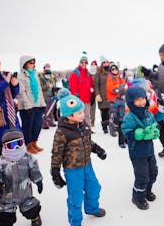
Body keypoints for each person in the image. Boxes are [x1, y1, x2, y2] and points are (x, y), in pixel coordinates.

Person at [51, 88, 106, 226]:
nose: (83, 115)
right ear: (69, 116)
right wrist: (55, 172)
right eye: (79, 113)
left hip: (87, 165)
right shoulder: (62, 132)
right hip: (72, 170)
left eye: (82, 111)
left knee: (94, 188)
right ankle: (75, 222)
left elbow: (87, 141)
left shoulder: (84, 126)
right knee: (75, 198)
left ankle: (91, 208)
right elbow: (56, 153)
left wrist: (97, 149)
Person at [0, 128, 43, 226]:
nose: (16, 147)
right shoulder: (0, 161)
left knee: (31, 209)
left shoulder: (28, 158)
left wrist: (38, 180)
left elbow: (34, 170)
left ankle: (35, 218)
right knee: (5, 216)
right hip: (7, 195)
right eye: (12, 145)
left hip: (25, 193)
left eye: (19, 143)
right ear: (5, 147)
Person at [121, 87, 159, 210]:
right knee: (142, 176)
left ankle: (147, 191)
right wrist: (137, 134)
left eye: (143, 98)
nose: (142, 102)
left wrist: (155, 131)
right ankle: (138, 197)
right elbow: (126, 130)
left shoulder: (148, 113)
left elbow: (154, 123)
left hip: (149, 150)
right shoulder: (130, 116)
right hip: (137, 152)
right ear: (132, 102)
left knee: (153, 173)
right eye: (138, 100)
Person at [16, 55, 46, 154]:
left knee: (37, 125)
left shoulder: (35, 74)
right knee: (28, 126)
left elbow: (39, 90)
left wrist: (42, 104)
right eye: (30, 63)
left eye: (33, 62)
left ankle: (34, 142)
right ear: (24, 64)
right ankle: (28, 145)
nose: (32, 65)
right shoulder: (21, 75)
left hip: (37, 104)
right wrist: (27, 106)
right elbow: (21, 92)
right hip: (26, 107)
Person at [68, 55, 94, 129]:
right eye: (82, 62)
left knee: (86, 115)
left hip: (87, 99)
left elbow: (91, 85)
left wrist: (92, 94)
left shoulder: (88, 74)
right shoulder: (75, 73)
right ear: (80, 63)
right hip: (79, 99)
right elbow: (72, 85)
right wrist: (75, 95)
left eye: (85, 62)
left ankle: (88, 129)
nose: (84, 64)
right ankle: (78, 130)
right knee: (78, 116)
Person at [106, 64, 126, 137]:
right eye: (113, 70)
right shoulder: (110, 78)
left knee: (120, 114)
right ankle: (112, 129)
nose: (114, 71)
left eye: (115, 69)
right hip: (113, 99)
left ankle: (118, 128)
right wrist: (117, 89)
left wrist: (122, 88)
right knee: (113, 115)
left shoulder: (119, 77)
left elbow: (124, 84)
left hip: (120, 99)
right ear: (111, 71)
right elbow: (110, 87)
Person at [94, 58, 111, 134]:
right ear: (102, 64)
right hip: (102, 95)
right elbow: (96, 85)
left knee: (111, 112)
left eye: (107, 62)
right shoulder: (99, 73)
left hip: (110, 96)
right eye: (104, 62)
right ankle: (105, 127)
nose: (106, 64)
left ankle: (111, 127)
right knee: (104, 112)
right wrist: (97, 94)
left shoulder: (111, 72)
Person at [89, 60, 98, 127]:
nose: (93, 66)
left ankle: (92, 121)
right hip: (90, 93)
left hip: (98, 92)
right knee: (91, 107)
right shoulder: (89, 74)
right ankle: (91, 121)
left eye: (95, 65)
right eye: (92, 65)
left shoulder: (98, 73)